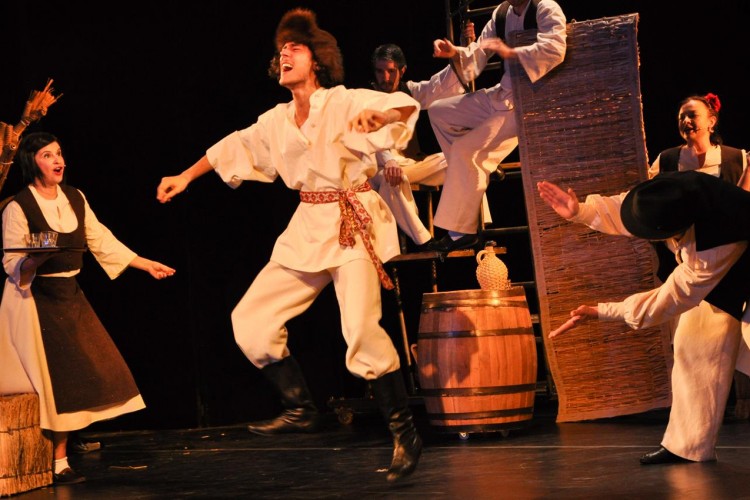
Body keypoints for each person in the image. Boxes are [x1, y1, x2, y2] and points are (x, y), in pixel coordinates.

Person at [155, 8, 422, 482]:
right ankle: (301, 407)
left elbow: (402, 108)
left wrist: (380, 113)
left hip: (352, 222)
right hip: (308, 226)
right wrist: (185, 176)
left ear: (316, 59)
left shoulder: (341, 100)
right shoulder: (276, 121)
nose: (284, 55)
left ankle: (404, 432)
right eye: (281, 50)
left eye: (294, 48)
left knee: (360, 330)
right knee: (251, 320)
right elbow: (231, 147)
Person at [537, 171, 750, 464]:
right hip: (721, 282)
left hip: (739, 274)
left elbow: (672, 298)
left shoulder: (713, 244)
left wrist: (604, 311)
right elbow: (625, 209)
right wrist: (580, 211)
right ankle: (688, 446)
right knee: (694, 346)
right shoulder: (665, 195)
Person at [0, 132, 176, 484]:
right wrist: (37, 260)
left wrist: (145, 264)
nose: (58, 160)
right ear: (32, 161)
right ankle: (58, 462)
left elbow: (100, 240)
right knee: (55, 380)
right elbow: (12, 263)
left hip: (69, 294)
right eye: (48, 155)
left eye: (59, 153)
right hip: (33, 300)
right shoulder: (19, 206)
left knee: (95, 368)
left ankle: (73, 435)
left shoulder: (75, 197)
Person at [426, 0, 567, 252]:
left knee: (465, 151)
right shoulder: (501, 13)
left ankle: (461, 232)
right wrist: (455, 52)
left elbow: (555, 48)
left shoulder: (545, 8)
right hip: (502, 94)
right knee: (438, 111)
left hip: (527, 103)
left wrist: (511, 52)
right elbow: (478, 52)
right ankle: (480, 168)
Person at [368, 43, 466, 248]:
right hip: (378, 168)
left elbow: (438, 86)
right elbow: (372, 137)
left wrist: (461, 51)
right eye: (380, 71)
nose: (385, 78)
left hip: (410, 163)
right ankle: (424, 240)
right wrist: (390, 161)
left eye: (391, 71)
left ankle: (464, 230)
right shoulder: (366, 99)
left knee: (461, 159)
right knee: (391, 179)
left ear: (402, 71)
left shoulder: (409, 91)